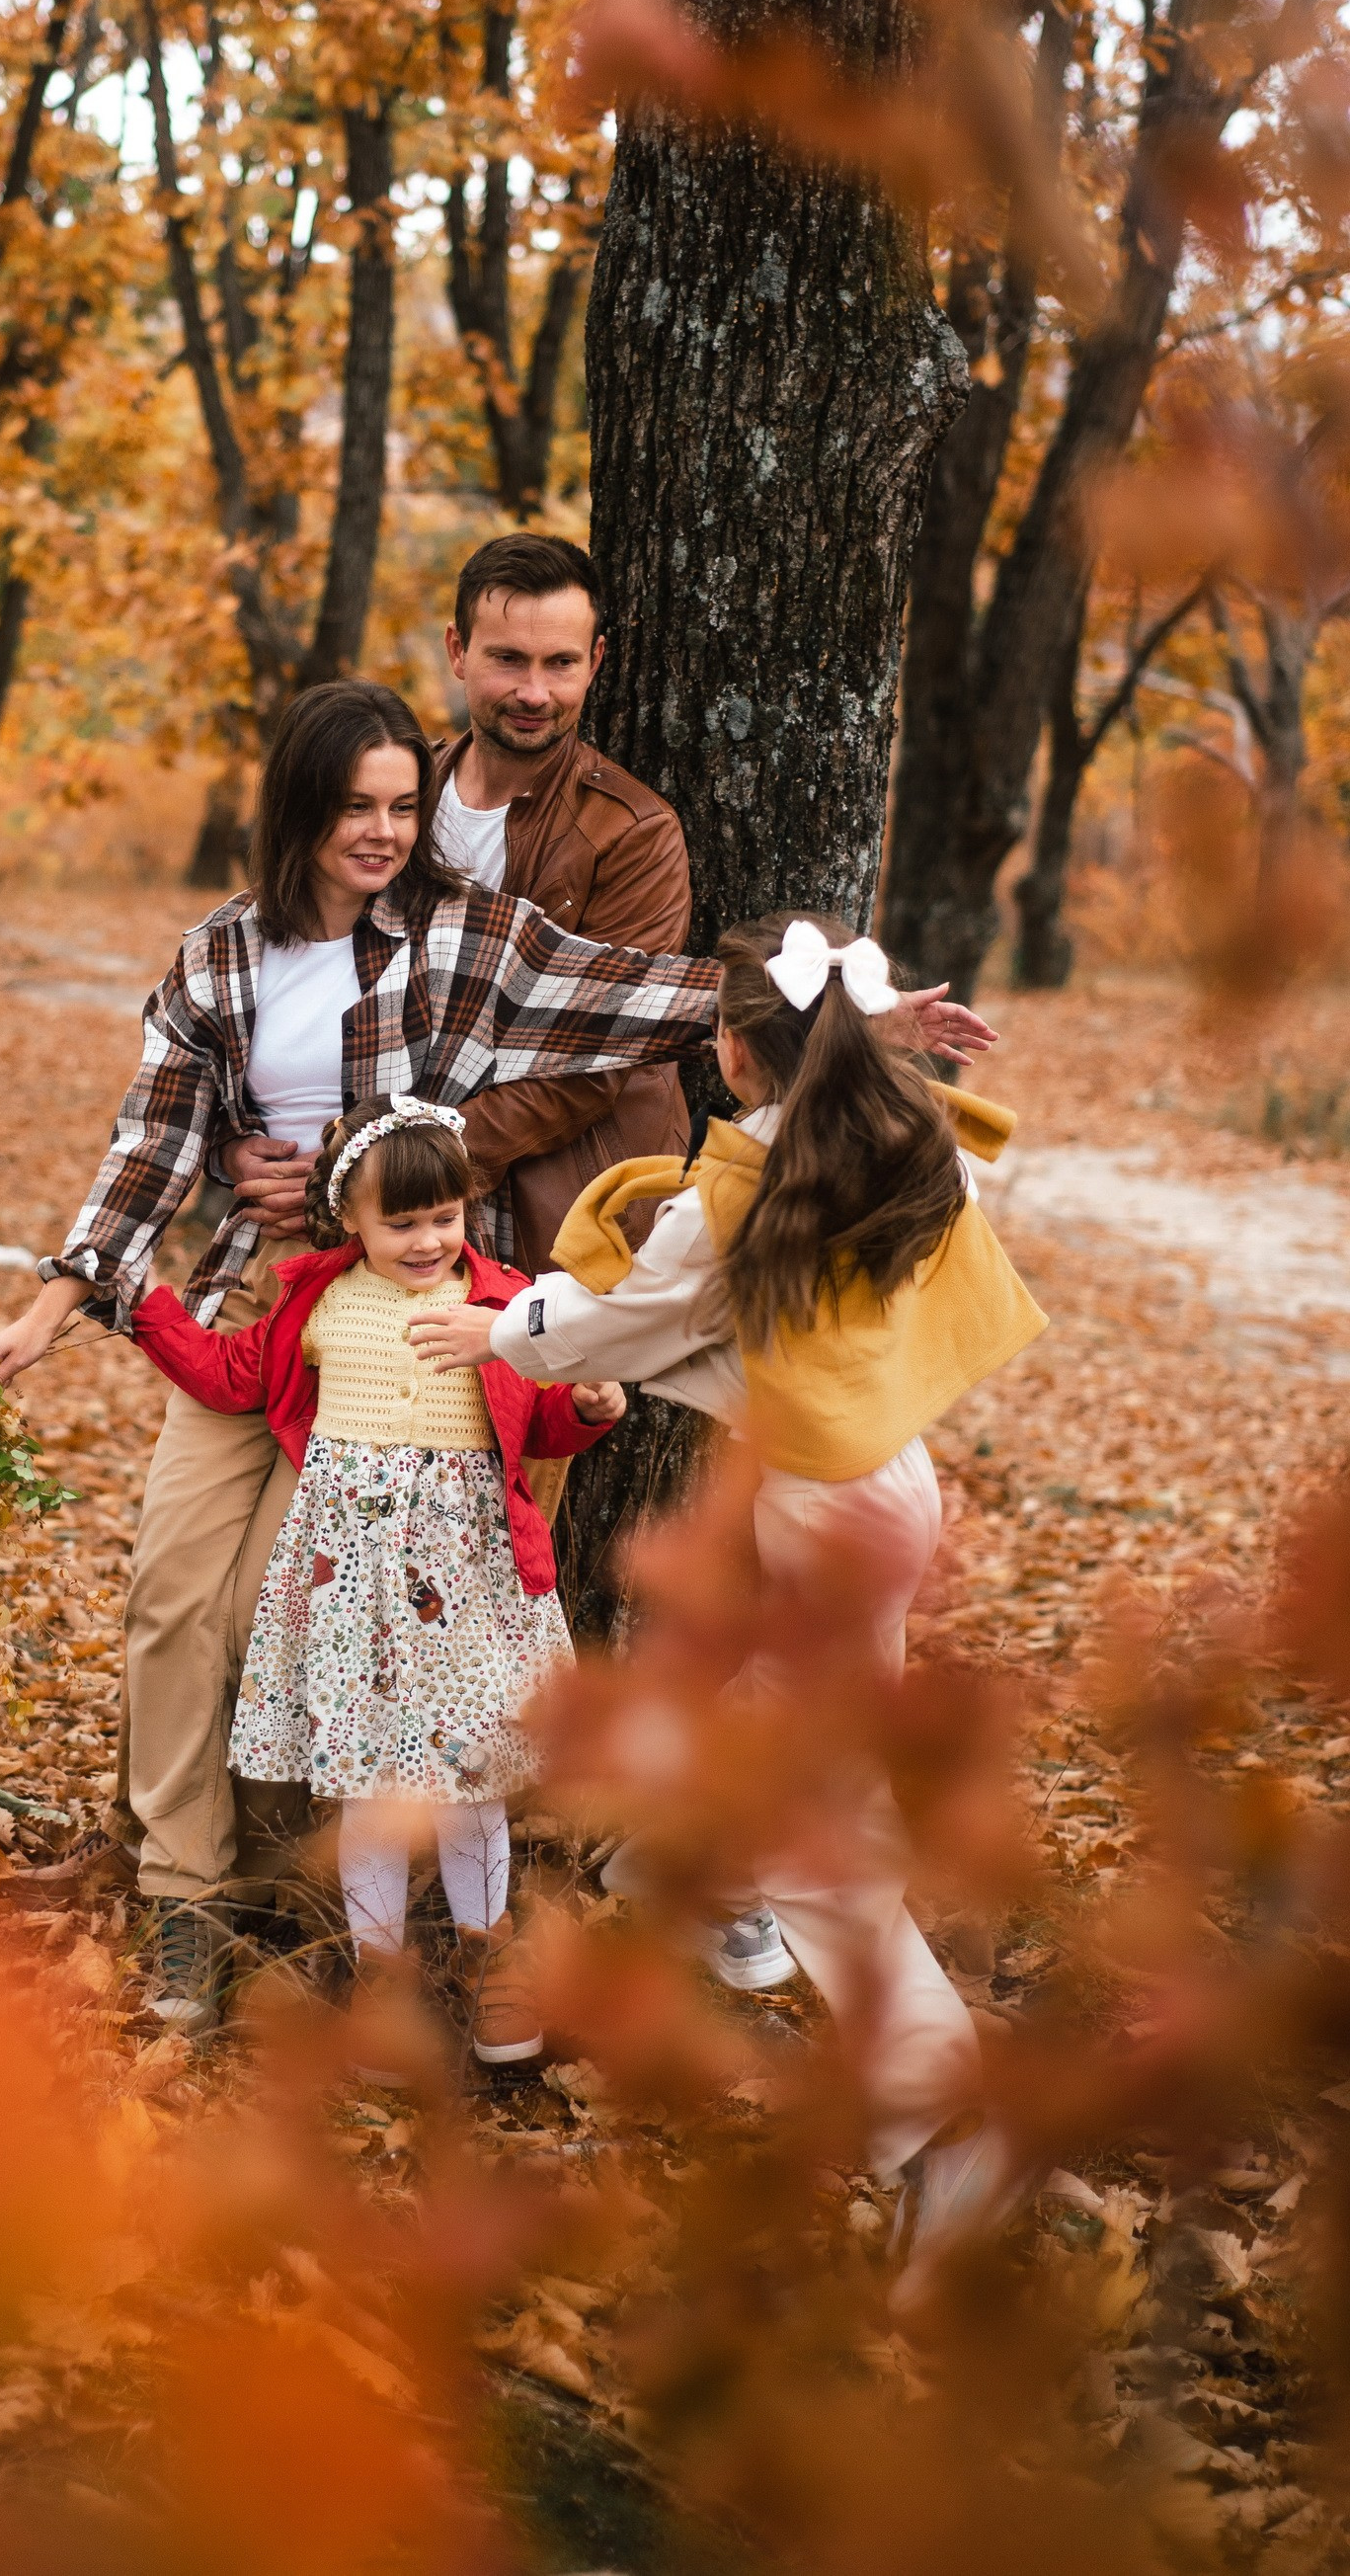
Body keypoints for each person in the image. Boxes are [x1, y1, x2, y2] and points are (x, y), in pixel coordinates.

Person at [0, 686, 993, 2034]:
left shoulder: (466, 934)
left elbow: (635, 993)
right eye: (356, 808)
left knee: (288, 1619)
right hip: (254, 1311)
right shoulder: (219, 958)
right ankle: (182, 1892)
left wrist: (863, 1020)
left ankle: (313, 1889)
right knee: (172, 1594)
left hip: (402, 1345)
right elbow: (153, 1137)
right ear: (300, 811)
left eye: (404, 804)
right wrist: (60, 1296)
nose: (386, 831)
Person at [408, 913, 1046, 2292]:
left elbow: (627, 1321)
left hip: (825, 1518)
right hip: (875, 1489)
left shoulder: (737, 1193)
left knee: (830, 1834)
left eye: (717, 1035)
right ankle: (704, 1883)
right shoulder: (894, 1145)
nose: (705, 1052)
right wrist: (877, 1045)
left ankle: (947, 2129)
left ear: (752, 1056)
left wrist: (497, 1328)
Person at [124, 1096, 624, 2059]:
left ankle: (488, 1955)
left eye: (443, 1217)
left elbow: (541, 1421)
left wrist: (590, 1408)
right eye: (400, 1222)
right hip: (349, 1589)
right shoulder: (316, 1300)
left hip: (465, 1585)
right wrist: (145, 1307)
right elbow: (232, 1375)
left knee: (472, 1782)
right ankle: (378, 1975)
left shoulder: (503, 1301)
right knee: (365, 1789)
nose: (427, 1239)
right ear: (347, 1219)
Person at [228, 532, 693, 1279]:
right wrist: (235, 1140)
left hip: (551, 1216)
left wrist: (367, 1166)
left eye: (561, 663)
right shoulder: (398, 795)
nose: (534, 692)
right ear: (457, 650)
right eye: (508, 658)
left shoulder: (631, 832)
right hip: (382, 1230)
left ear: (596, 662)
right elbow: (307, 981)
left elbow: (597, 1062)